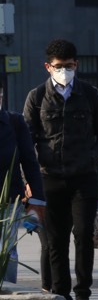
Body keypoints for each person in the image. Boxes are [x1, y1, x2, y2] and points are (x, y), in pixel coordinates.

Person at [21, 39, 98, 300]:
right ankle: (62, 297)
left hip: (83, 178)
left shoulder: (89, 94)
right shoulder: (36, 97)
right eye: (59, 67)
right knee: (55, 242)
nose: (65, 71)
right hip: (49, 179)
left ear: (77, 65)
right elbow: (27, 141)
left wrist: (92, 158)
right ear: (48, 67)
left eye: (70, 66)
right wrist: (29, 180)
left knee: (84, 234)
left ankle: (83, 295)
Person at [0, 85, 46, 286]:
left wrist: (37, 200)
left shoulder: (14, 122)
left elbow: (29, 161)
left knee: (7, 250)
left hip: (10, 200)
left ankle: (6, 298)